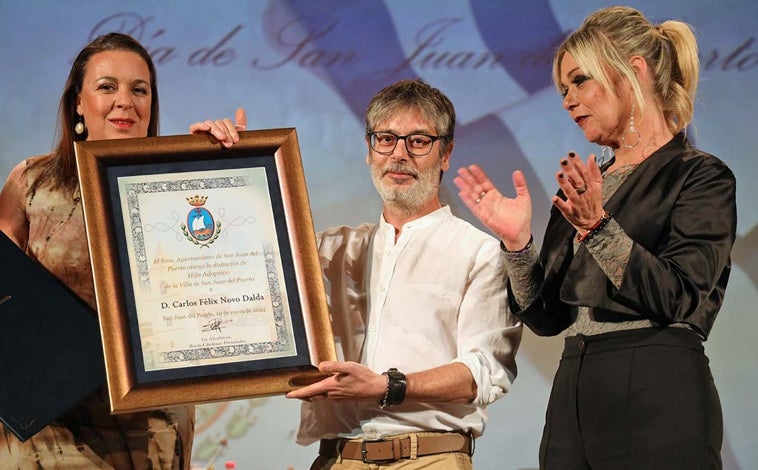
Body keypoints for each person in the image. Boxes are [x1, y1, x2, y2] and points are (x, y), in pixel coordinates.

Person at [454, 6, 735, 469]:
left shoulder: (700, 176)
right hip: (576, 386)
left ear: (634, 72)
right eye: (563, 89)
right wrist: (518, 245)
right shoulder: (587, 186)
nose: (568, 100)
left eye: (581, 81)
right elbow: (547, 317)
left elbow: (679, 295)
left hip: (656, 385)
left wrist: (599, 229)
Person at [0, 32, 243, 469]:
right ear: (77, 102)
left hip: (149, 424)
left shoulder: (180, 186)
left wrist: (220, 168)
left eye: (139, 89)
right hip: (46, 426)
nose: (124, 102)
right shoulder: (31, 183)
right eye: (107, 86)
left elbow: (224, 278)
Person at [283, 79, 522, 469]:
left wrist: (387, 386)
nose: (399, 154)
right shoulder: (326, 251)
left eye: (418, 141)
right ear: (369, 150)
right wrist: (227, 159)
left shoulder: (478, 251)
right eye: (387, 139)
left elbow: (485, 370)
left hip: (428, 458)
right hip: (337, 459)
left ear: (446, 154)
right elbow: (250, 272)